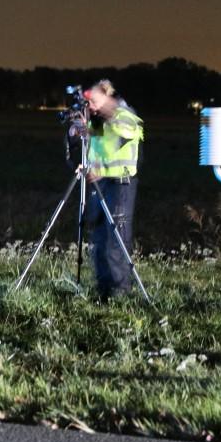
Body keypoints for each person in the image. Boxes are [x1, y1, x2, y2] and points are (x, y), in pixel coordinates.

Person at [83, 79, 143, 300]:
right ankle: (103, 289)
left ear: (109, 98)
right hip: (101, 183)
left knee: (115, 239)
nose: (92, 106)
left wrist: (102, 168)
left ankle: (120, 292)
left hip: (121, 183)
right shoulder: (98, 120)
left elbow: (120, 140)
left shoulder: (126, 115)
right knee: (99, 237)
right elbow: (95, 148)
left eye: (95, 101)